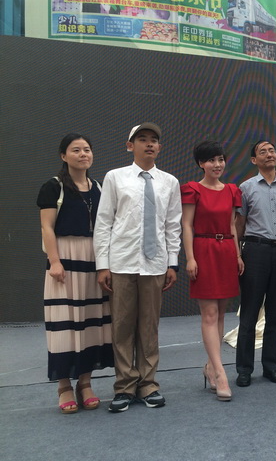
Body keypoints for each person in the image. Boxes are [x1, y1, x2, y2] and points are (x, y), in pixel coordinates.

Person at [94, 123, 182, 412]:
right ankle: (124, 387)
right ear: (130, 146)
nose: (149, 144)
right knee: (122, 327)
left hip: (155, 264)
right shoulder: (115, 177)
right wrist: (103, 265)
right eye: (142, 139)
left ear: (159, 147)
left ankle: (148, 384)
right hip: (122, 262)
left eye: (153, 140)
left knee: (149, 326)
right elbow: (104, 222)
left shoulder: (169, 182)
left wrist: (172, 263)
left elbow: (172, 225)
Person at [38, 133, 114, 414]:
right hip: (65, 261)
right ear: (63, 156)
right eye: (76, 150)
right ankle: (64, 386)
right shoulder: (53, 187)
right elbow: (47, 227)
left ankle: (85, 383)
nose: (83, 154)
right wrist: (54, 261)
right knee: (64, 324)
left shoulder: (99, 187)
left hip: (93, 260)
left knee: (91, 322)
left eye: (87, 149)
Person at [182, 141, 243, 401]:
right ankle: (220, 373)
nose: (217, 165)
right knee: (208, 314)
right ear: (201, 164)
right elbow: (186, 225)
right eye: (211, 160)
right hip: (203, 250)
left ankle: (210, 366)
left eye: (220, 159)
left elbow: (231, 225)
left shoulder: (231, 190)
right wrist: (190, 258)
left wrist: (237, 255)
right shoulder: (192, 189)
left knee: (219, 315)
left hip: (226, 251)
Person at [234, 140, 276, 387]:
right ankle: (244, 369)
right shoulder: (246, 188)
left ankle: (271, 366)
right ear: (253, 160)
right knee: (249, 313)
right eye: (263, 152)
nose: (269, 154)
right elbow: (239, 224)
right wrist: (237, 254)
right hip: (255, 251)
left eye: (272, 150)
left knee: (275, 313)